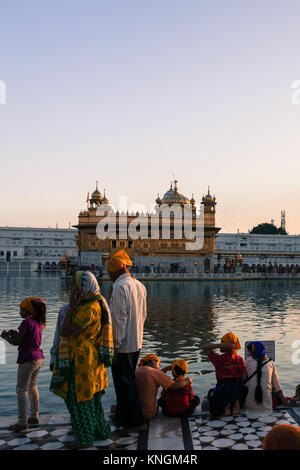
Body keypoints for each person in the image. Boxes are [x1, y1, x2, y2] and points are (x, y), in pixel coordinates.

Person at [50, 271, 114, 449]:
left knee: (80, 401)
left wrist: (71, 306)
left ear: (83, 288)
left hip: (82, 362)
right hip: (89, 359)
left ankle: (85, 439)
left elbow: (65, 331)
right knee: (93, 401)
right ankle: (100, 432)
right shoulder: (96, 303)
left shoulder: (89, 308)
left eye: (74, 286)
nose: (71, 288)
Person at [107, 249, 147, 432]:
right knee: (126, 381)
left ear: (115, 271)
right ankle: (124, 415)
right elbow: (144, 315)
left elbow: (119, 319)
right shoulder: (139, 285)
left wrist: (114, 346)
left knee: (125, 383)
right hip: (136, 341)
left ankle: (137, 422)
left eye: (109, 273)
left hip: (122, 345)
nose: (108, 276)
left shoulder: (119, 287)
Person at [1, 297, 46, 432]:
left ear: (28, 311)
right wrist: (15, 334)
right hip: (38, 358)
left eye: (22, 309)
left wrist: (5, 337)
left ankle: (22, 422)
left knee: (21, 389)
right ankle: (34, 416)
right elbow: (25, 339)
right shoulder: (39, 322)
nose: (20, 311)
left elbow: (16, 342)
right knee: (33, 386)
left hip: (27, 358)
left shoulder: (26, 323)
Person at [202, 332, 248, 418]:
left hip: (222, 390)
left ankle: (227, 406)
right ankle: (235, 403)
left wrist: (219, 345)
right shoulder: (239, 359)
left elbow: (205, 348)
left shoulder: (219, 359)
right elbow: (244, 378)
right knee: (237, 387)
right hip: (236, 391)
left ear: (224, 345)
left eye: (222, 342)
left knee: (211, 393)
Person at [135, 354, 193, 420]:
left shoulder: (136, 370)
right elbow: (175, 386)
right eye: (159, 364)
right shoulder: (153, 372)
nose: (159, 367)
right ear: (153, 361)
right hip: (148, 414)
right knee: (157, 399)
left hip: (135, 413)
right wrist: (188, 380)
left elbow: (157, 375)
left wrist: (166, 368)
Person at [244, 341, 290, 415]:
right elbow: (277, 386)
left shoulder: (246, 362)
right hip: (267, 408)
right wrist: (284, 401)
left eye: (248, 351)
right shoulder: (270, 363)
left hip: (249, 408)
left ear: (251, 352)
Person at [49, 303, 69, 371]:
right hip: (66, 357)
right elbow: (58, 335)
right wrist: (53, 358)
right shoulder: (65, 309)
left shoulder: (99, 304)